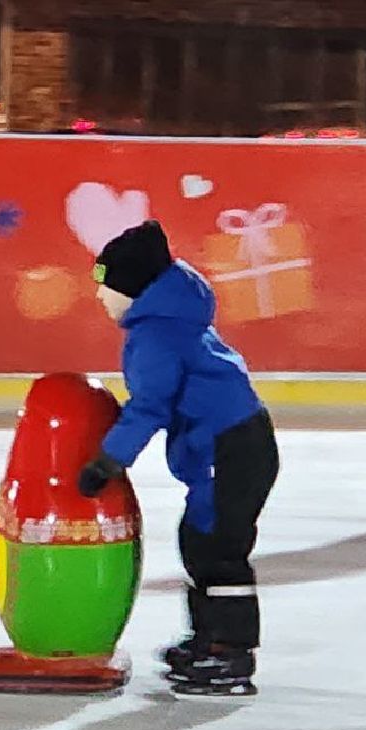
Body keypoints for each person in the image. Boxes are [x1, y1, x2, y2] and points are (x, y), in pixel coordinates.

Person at [77, 221, 278, 697]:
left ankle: (229, 652)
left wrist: (107, 463)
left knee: (216, 549)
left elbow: (150, 406)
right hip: (236, 445)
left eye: (106, 286)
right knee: (202, 541)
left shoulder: (155, 336)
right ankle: (209, 638)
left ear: (135, 290)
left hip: (229, 452)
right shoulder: (174, 321)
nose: (100, 297)